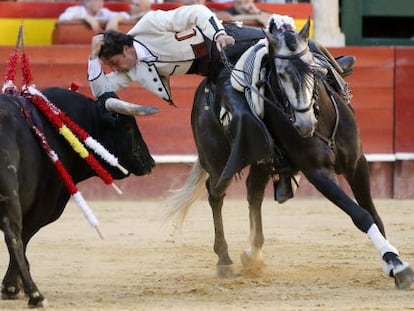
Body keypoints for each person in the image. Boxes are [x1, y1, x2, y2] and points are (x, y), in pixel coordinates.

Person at [87, 6, 354, 203]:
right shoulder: (129, 71)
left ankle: (333, 70)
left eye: (112, 64)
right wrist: (92, 56)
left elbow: (196, 12)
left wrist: (217, 34)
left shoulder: (150, 24)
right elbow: (101, 91)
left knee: (295, 48)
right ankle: (280, 167)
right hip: (216, 69)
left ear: (125, 51)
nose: (113, 70)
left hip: (232, 41)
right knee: (244, 113)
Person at [58, 0, 129, 32]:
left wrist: (115, 19)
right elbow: (62, 18)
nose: (100, 3)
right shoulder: (76, 10)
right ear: (87, 3)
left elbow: (126, 16)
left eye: (101, 0)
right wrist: (85, 17)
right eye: (96, 1)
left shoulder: (103, 12)